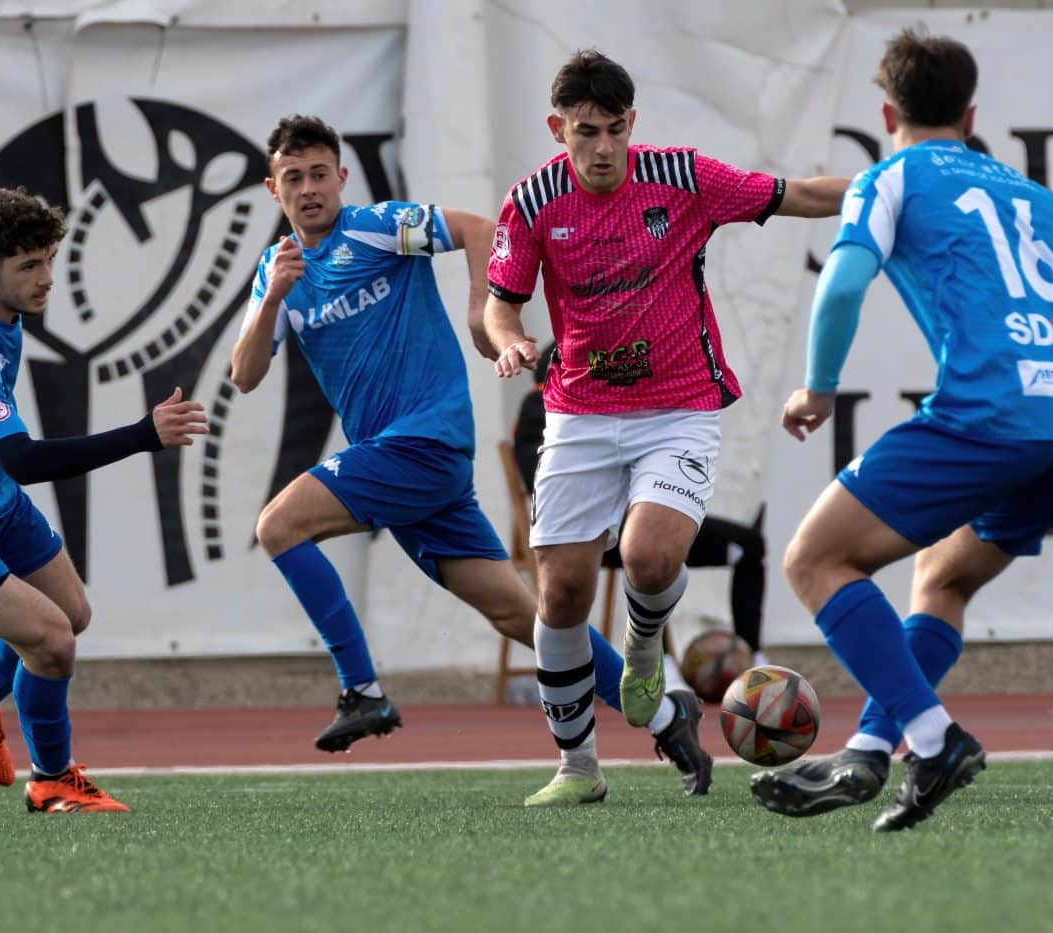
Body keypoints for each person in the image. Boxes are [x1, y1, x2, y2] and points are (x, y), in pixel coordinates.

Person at [230, 116, 711, 799]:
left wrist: (481, 313)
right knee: (528, 616)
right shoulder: (279, 271)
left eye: (319, 173)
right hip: (400, 462)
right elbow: (243, 374)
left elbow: (483, 228)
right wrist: (273, 295)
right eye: (292, 178)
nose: (308, 189)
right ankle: (669, 717)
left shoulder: (375, 226)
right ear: (272, 188)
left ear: (341, 176)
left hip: (424, 439)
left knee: (279, 525)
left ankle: (359, 687)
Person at [752, 29, 1053, 832]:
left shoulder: (888, 176)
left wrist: (818, 389)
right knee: (944, 580)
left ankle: (934, 740)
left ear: (886, 111)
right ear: (971, 115)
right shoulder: (1039, 199)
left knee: (815, 560)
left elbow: (840, 287)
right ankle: (871, 747)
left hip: (985, 418)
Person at [484, 49, 849, 806]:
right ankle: (577, 767)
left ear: (632, 124)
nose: (604, 148)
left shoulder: (682, 177)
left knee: (650, 559)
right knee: (560, 595)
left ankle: (644, 654)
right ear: (558, 130)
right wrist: (510, 338)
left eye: (616, 129)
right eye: (587, 132)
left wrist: (897, 187)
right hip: (579, 413)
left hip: (677, 407)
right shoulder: (532, 202)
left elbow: (802, 195)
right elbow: (501, 302)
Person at [0, 187, 210, 812]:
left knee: (71, 613)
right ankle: (52, 780)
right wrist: (143, 435)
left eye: (50, 258)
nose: (47, 279)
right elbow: (23, 460)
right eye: (29, 266)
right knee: (54, 641)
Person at [512, 344, 769, 670]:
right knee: (640, 551)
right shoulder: (543, 406)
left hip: (652, 519)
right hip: (590, 532)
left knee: (747, 545)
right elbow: (539, 478)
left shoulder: (626, 402)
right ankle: (657, 667)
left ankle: (755, 662)